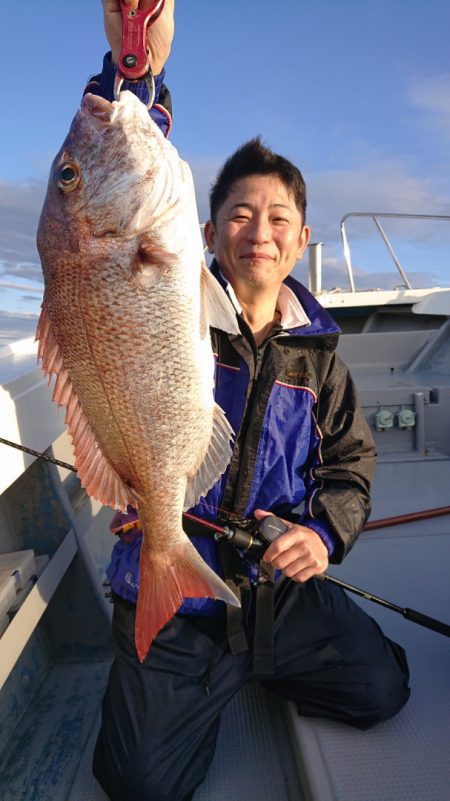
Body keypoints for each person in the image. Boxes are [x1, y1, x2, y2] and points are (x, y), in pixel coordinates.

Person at [90, 3, 410, 800]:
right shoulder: (178, 307)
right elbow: (123, 160)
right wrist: (136, 64)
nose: (258, 231)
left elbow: (350, 466)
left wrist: (321, 535)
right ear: (205, 234)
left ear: (301, 240)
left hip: (277, 591)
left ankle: (257, 665)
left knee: (383, 690)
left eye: (277, 218)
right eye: (238, 214)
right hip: (178, 596)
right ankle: (196, 663)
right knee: (138, 784)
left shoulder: (322, 359)